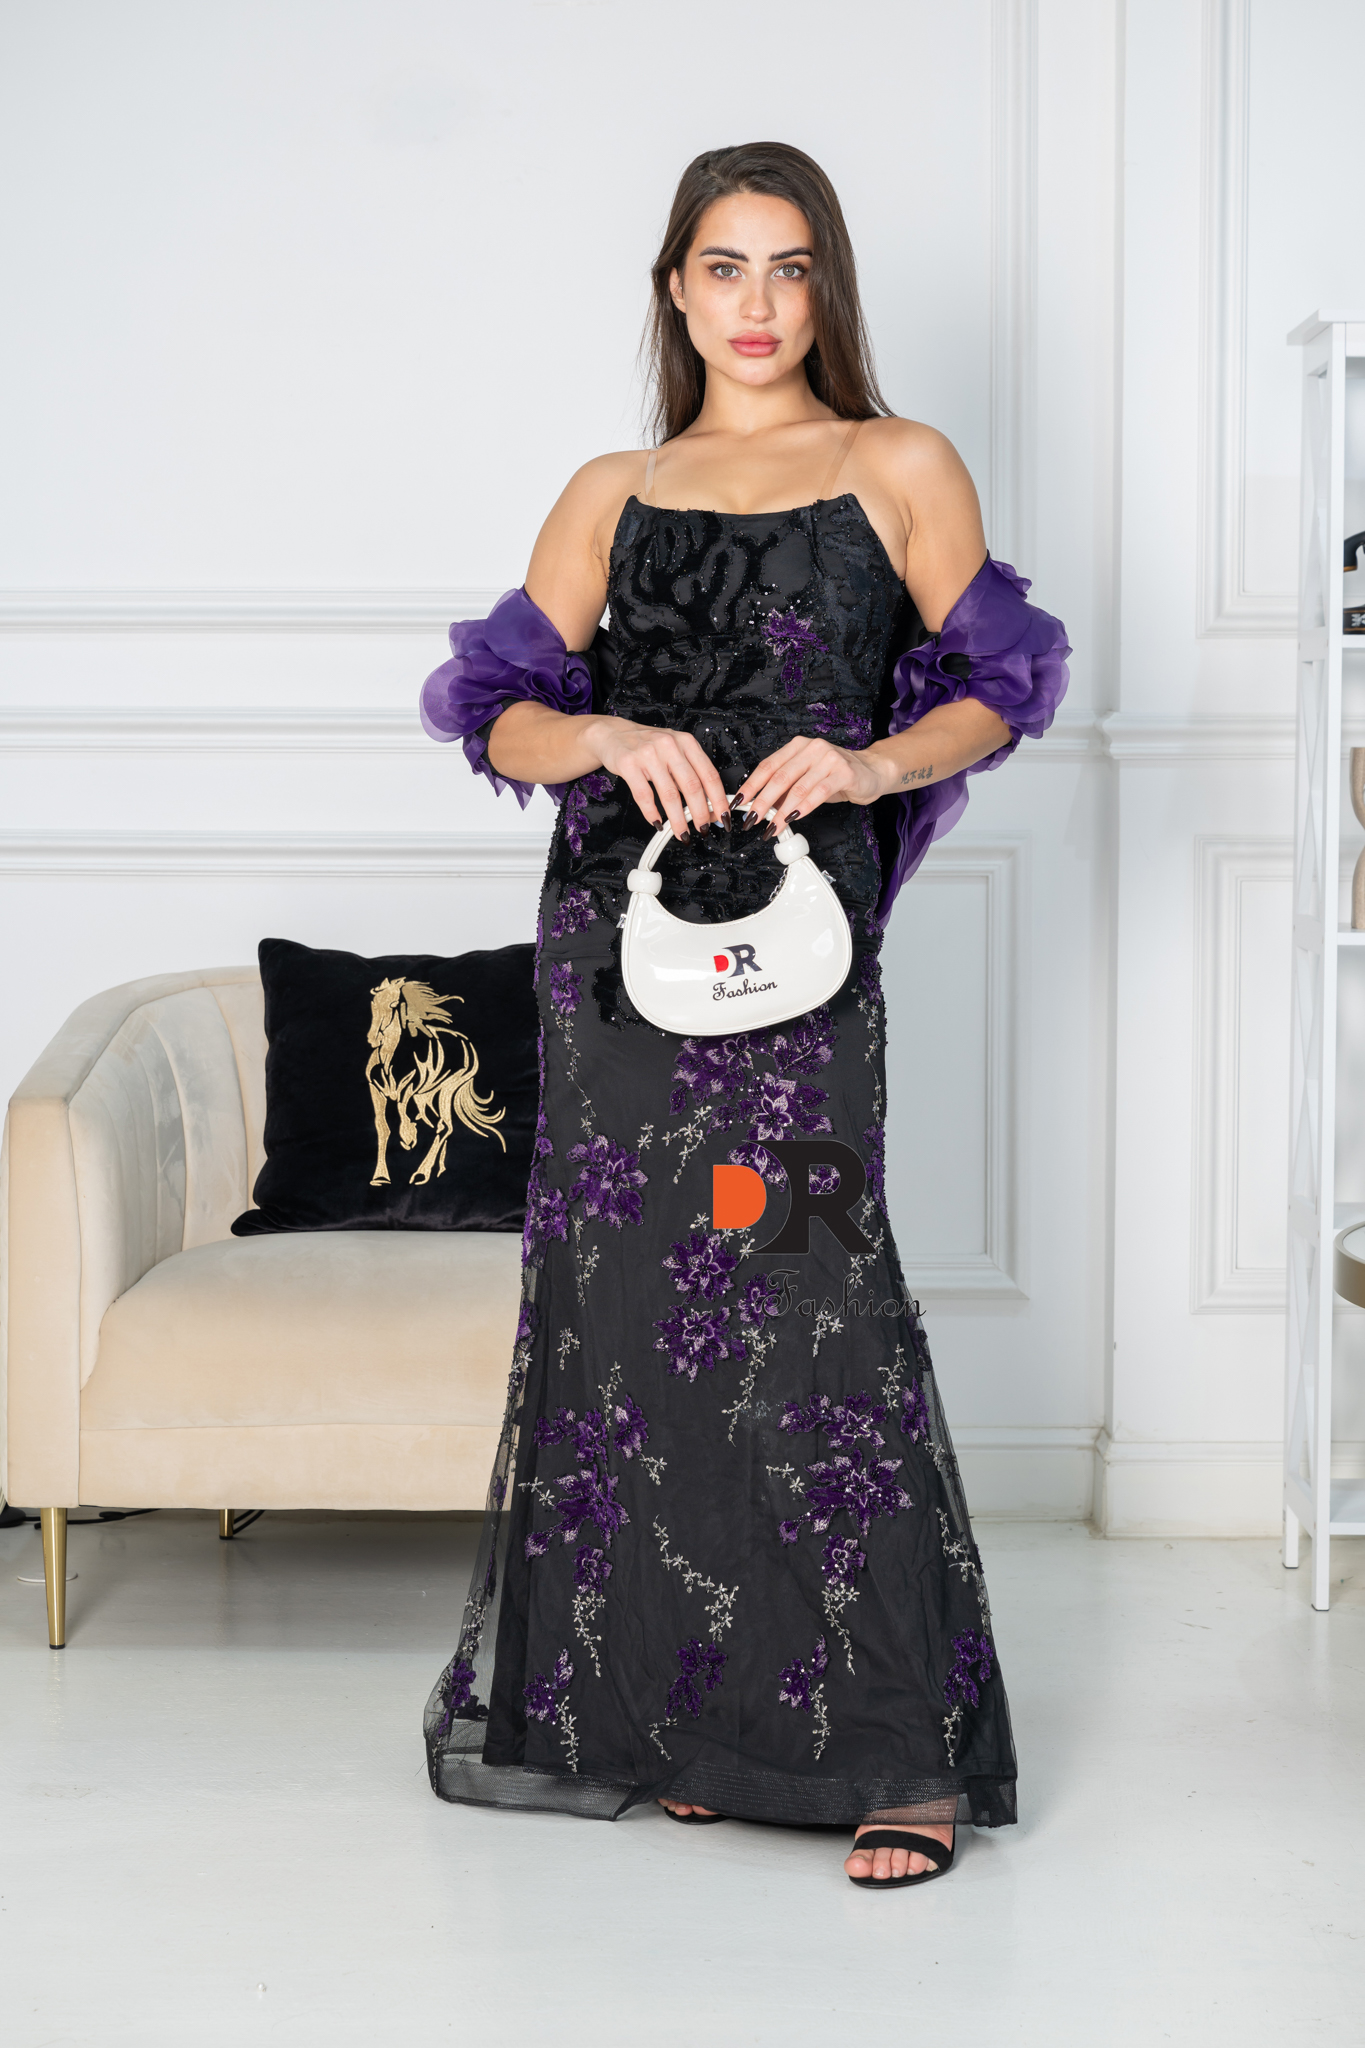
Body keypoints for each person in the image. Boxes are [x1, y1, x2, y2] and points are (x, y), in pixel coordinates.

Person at [419, 140, 1068, 1889]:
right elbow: (491, 710)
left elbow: (996, 689)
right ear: (676, 290)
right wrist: (600, 733)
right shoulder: (611, 487)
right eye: (724, 267)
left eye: (789, 268)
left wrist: (867, 761)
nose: (758, 302)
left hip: (798, 952)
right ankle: (698, 1728)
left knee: (806, 1297)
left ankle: (891, 1752)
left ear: (824, 287)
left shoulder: (896, 463)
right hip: (615, 946)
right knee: (639, 1320)